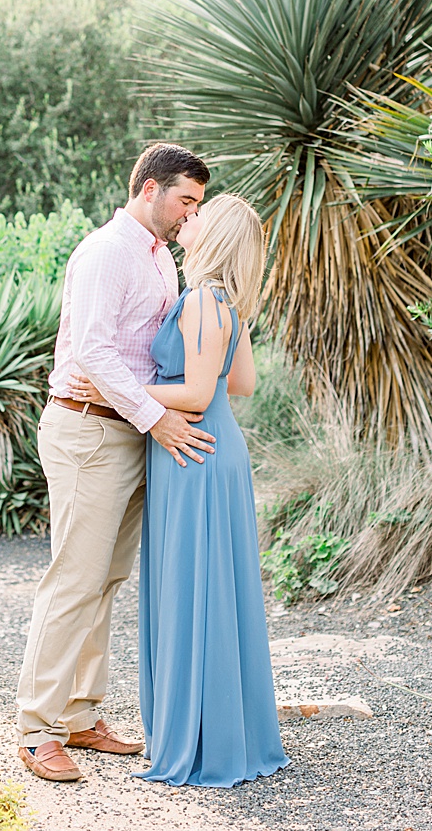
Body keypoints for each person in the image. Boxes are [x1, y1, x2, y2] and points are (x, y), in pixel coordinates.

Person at [69, 193, 289, 787]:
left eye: (198, 216)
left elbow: (194, 394)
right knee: (217, 589)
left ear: (213, 236)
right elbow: (239, 384)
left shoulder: (199, 300)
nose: (187, 220)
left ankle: (195, 741)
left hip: (191, 452)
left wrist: (120, 388)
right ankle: (222, 729)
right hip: (217, 449)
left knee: (193, 586)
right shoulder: (227, 301)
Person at [15, 143, 216, 783]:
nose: (191, 215)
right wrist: (160, 418)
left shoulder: (162, 260)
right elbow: (94, 353)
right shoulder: (107, 252)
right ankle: (35, 731)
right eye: (186, 200)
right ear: (150, 189)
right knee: (74, 579)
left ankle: (79, 714)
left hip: (132, 432)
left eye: (198, 205)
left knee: (105, 582)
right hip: (88, 430)